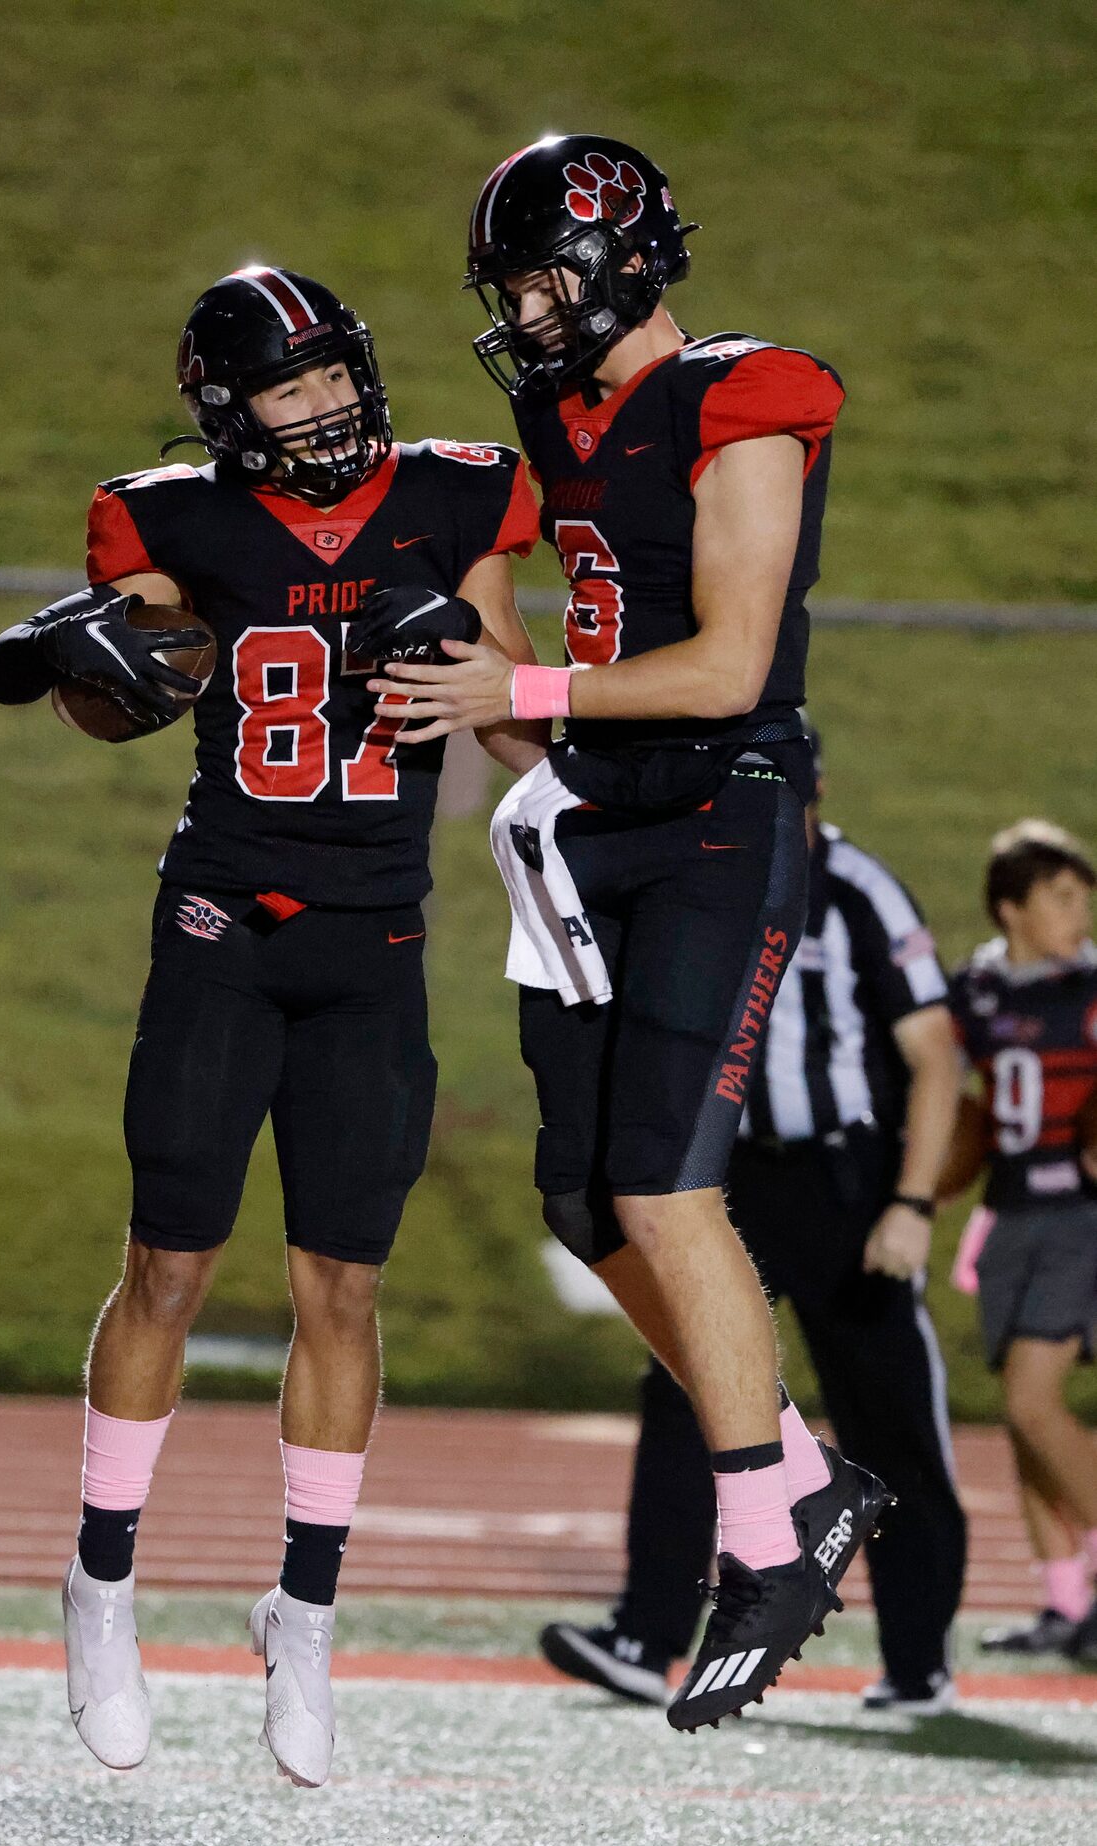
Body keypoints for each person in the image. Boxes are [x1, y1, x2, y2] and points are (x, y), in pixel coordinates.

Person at [0, 264, 542, 1785]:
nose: (329, 404)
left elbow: (512, 715)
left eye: (337, 372)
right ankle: (101, 1586)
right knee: (167, 1259)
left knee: (342, 1291)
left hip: (377, 933)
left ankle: (304, 1611)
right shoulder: (173, 519)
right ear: (234, 415)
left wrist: (494, 677)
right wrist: (88, 676)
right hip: (223, 921)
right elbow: (127, 691)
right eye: (291, 388)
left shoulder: (455, 493)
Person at [372, 133, 889, 1732]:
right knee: (588, 1196)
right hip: (603, 814)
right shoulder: (554, 413)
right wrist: (477, 646)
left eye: (538, 278)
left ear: (618, 264)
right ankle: (805, 1480)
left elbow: (731, 665)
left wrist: (515, 693)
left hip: (724, 809)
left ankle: (767, 1534)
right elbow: (533, 644)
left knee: (667, 1183)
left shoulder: (744, 394)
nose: (522, 312)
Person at [539, 721, 968, 1715]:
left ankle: (915, 1657)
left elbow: (935, 1054)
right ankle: (648, 1634)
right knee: (690, 1380)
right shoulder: (706, 862)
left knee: (888, 1406)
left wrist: (909, 1201)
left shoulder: (856, 888)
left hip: (843, 1177)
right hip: (725, 1176)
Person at [946, 821, 1097, 1662]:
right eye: (1062, 898)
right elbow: (936, 1082)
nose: (1080, 914)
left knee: (1034, 1405)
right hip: (1007, 1211)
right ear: (1012, 908)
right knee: (1024, 1421)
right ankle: (1064, 1602)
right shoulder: (972, 991)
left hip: (1081, 1213)